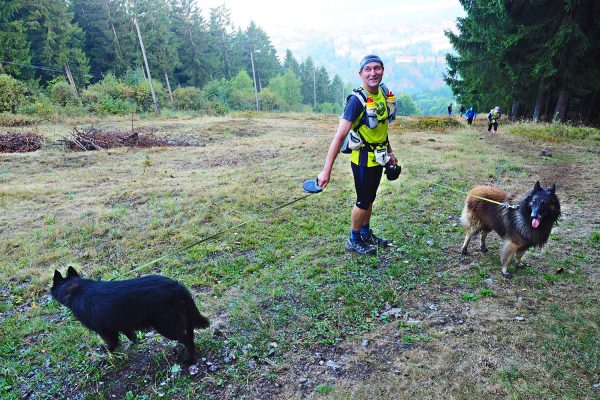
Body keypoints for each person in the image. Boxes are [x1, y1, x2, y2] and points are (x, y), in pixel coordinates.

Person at [317, 55, 398, 255]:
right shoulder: (356, 101)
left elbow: (381, 128)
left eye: (377, 68)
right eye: (368, 69)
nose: (373, 73)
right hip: (362, 161)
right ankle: (353, 239)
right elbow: (339, 135)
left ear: (383, 70)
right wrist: (326, 171)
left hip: (378, 159)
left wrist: (390, 152)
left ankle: (366, 233)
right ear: (360, 74)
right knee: (362, 201)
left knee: (370, 198)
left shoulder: (383, 92)